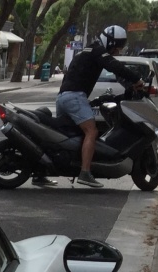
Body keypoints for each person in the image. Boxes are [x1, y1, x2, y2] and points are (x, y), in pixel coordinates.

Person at [53, 24, 145, 188]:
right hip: (74, 96)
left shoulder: (88, 50)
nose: (117, 51)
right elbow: (114, 66)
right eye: (117, 47)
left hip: (63, 96)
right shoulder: (97, 51)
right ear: (111, 42)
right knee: (92, 131)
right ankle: (85, 172)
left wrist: (128, 85)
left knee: (65, 136)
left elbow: (116, 72)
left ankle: (40, 171)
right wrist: (137, 79)